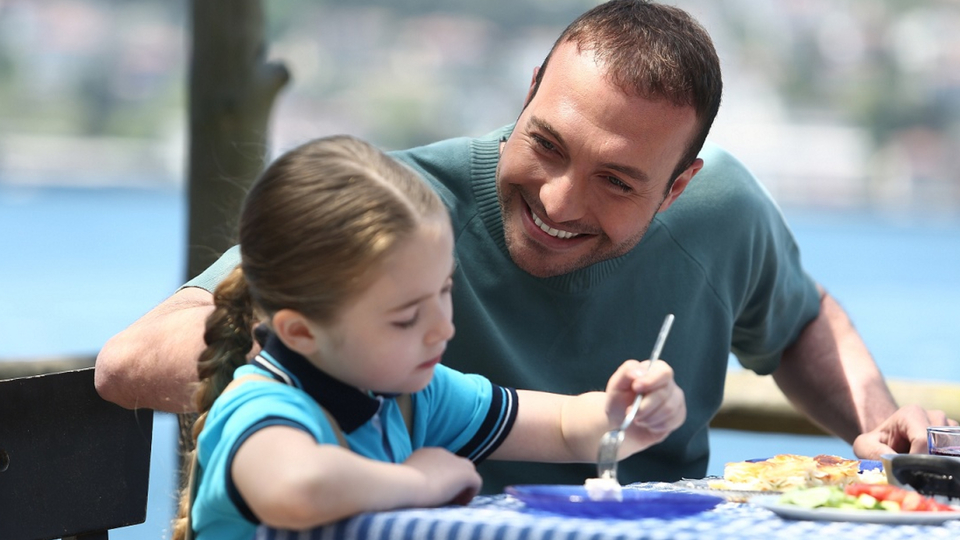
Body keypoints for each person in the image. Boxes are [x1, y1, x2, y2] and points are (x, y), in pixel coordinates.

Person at [96, 0, 954, 492]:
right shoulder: (393, 206)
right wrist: (362, 366)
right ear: (529, 90)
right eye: (545, 142)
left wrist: (875, 424)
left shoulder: (724, 210)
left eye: (618, 182)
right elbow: (134, 359)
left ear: (678, 187)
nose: (556, 200)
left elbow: (800, 318)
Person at [170, 134, 686, 540]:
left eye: (443, 292)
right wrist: (421, 481)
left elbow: (564, 427)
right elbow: (298, 488)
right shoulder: (262, 408)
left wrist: (631, 417)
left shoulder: (415, 396)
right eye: (404, 318)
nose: (443, 327)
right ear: (301, 332)